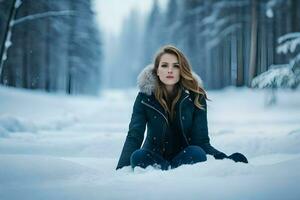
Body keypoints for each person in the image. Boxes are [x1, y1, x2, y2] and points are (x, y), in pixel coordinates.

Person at [116, 45, 248, 170]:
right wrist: (122, 169)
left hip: (185, 156)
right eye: (164, 65)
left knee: (198, 153)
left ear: (181, 70)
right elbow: (134, 135)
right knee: (137, 156)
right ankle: (168, 168)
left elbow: (202, 142)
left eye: (175, 66)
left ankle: (169, 169)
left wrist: (226, 160)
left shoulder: (196, 96)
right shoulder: (145, 97)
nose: (169, 70)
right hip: (153, 157)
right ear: (157, 71)